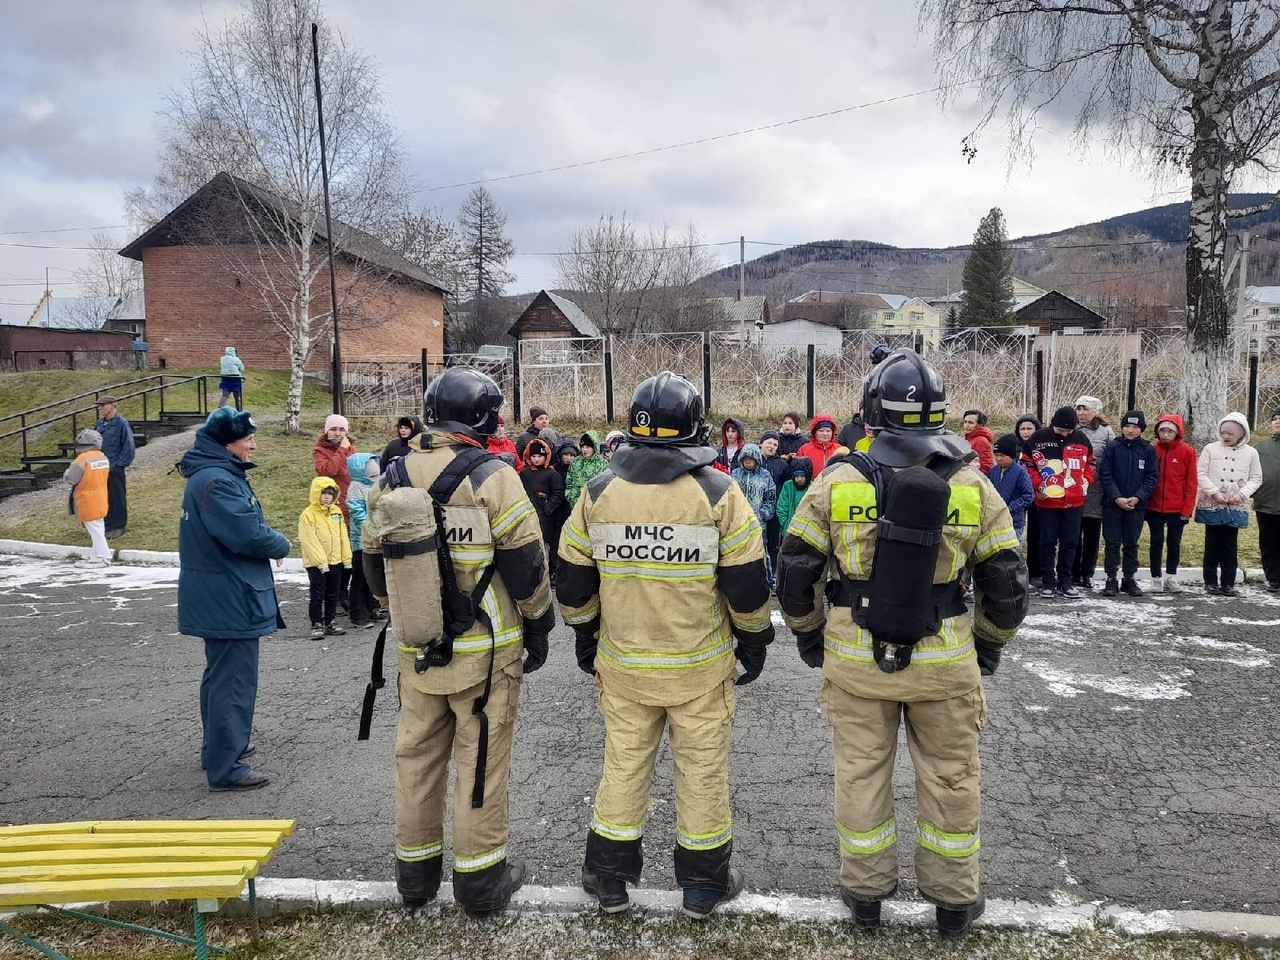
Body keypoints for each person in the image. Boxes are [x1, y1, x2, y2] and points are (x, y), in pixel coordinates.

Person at [776, 348, 1027, 939]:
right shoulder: (972, 483)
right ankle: (953, 904)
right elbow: (1008, 582)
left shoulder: (837, 480)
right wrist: (987, 644)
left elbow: (793, 571)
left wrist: (811, 636)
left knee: (861, 777)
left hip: (856, 663)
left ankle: (865, 898)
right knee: (951, 779)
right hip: (946, 665)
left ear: (869, 411)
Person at [557, 371, 774, 920]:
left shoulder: (598, 492)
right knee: (702, 773)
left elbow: (574, 582)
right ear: (695, 428)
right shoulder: (719, 492)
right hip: (699, 670)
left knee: (623, 768)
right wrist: (753, 643)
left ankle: (608, 881)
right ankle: (702, 888)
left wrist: (586, 636)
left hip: (624, 666)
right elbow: (747, 585)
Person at [363, 366, 553, 917]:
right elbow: (526, 567)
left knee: (416, 760)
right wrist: (539, 626)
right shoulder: (493, 476)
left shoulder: (391, 474)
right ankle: (480, 881)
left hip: (415, 651)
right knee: (480, 763)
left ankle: (415, 878)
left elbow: (375, 569)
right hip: (487, 653)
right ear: (483, 417)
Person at [177, 407, 290, 792]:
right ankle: (226, 766)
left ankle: (219, 748)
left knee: (220, 676)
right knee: (233, 682)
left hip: (219, 593)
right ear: (228, 443)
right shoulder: (218, 482)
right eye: (248, 439)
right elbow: (247, 534)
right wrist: (281, 543)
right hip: (230, 594)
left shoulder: (210, 476)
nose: (254, 444)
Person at [1026, 406, 1094, 600]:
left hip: (1074, 501)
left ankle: (1066, 581)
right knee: (1047, 542)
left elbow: (1091, 463)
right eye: (1061, 430)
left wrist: (1086, 480)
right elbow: (1027, 465)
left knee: (1070, 542)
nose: (1065, 433)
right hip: (1047, 502)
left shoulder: (1081, 439)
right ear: (1053, 424)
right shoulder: (1037, 439)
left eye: (1068, 430)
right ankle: (1048, 582)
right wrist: (1041, 484)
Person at [1196, 412, 1262, 597]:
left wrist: (1241, 494)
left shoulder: (1251, 453)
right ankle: (1210, 582)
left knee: (1230, 545)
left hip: (1235, 504)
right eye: (1223, 433)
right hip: (1214, 502)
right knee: (1212, 543)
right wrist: (1214, 492)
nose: (1226, 437)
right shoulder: (1211, 449)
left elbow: (1256, 478)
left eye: (1231, 434)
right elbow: (1201, 473)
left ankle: (1228, 583)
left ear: (1241, 434)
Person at [1098, 411, 1158, 597]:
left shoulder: (1148, 450)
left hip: (1136, 506)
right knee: (1112, 543)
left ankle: (1129, 578)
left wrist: (1138, 497)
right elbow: (1105, 475)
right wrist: (1117, 497)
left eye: (1135, 427)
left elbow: (1151, 478)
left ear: (1141, 429)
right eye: (1127, 426)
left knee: (1131, 543)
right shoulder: (1113, 447)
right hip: (1112, 504)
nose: (1130, 430)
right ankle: (1111, 578)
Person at [1146, 414, 1198, 594]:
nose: (1166, 435)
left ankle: (1171, 576)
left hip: (1177, 507)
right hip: (1154, 506)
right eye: (1163, 431)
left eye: (1170, 431)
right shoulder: (1152, 450)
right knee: (1156, 541)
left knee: (1174, 542)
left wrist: (1187, 507)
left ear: (1177, 433)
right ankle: (1155, 578)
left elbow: (1191, 482)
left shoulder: (1188, 452)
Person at [299, 477, 352, 638]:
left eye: (330, 494)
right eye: (324, 493)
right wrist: (321, 562)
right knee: (317, 594)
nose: (327, 497)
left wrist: (346, 558)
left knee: (332, 593)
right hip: (317, 563)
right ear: (316, 494)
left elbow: (342, 535)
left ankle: (330, 621)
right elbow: (309, 540)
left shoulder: (336, 512)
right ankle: (316, 622)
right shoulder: (308, 515)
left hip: (335, 560)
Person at [1071, 396, 1115, 590]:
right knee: (1072, 533)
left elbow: (1111, 459)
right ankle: (1072, 572)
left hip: (1096, 489)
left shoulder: (1106, 432)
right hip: (1072, 487)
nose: (1081, 413)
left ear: (1095, 411)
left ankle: (1087, 572)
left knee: (1091, 533)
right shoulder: (1071, 429)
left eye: (1085, 409)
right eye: (1078, 409)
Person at [62, 428, 112, 563]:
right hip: (101, 496)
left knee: (94, 529)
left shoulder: (82, 459)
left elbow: (71, 478)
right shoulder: (103, 457)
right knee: (98, 526)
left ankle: (103, 556)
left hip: (87, 499)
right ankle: (95, 554)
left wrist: (67, 472)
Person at [731, 442, 777, 583]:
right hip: (738, 522)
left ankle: (768, 580)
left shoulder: (765, 475)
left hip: (758, 522)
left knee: (762, 551)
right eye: (745, 459)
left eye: (751, 459)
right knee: (738, 550)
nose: (748, 462)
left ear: (757, 459)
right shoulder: (735, 475)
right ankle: (739, 580)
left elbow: (771, 497)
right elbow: (729, 496)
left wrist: (764, 514)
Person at [344, 453, 381, 627]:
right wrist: (372, 524)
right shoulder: (355, 487)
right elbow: (357, 513)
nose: (375, 478)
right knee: (360, 576)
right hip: (362, 540)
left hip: (377, 537)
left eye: (376, 475)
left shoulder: (378, 486)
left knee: (372, 576)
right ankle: (358, 613)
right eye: (371, 475)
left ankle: (373, 606)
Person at [94, 395, 135, 540]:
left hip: (114, 467)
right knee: (104, 496)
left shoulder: (121, 423)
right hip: (100, 467)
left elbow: (128, 446)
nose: (100, 408)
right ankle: (107, 523)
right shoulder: (100, 423)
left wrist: (119, 465)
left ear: (112, 405)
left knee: (117, 496)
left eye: (103, 405)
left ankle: (119, 525)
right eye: (99, 406)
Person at [520, 437, 564, 564]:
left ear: (546, 456)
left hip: (546, 516)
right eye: (533, 456)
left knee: (544, 544)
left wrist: (548, 508)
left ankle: (547, 569)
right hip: (527, 513)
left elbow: (558, 493)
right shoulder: (524, 473)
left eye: (540, 456)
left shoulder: (552, 474)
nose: (536, 459)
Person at [1252, 406, 1280, 590]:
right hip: (1266, 504)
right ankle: (1274, 579)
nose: (1277, 421)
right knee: (1269, 543)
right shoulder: (1260, 447)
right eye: (1274, 419)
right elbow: (1250, 472)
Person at [988, 434, 1034, 543]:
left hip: (1014, 521)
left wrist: (1011, 507)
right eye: (996, 455)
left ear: (1011, 455)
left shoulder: (1020, 472)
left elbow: (1029, 496)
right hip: (995, 520)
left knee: (1014, 551)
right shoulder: (993, 471)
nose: (999, 458)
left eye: (1002, 455)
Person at [1014, 414, 1042, 581]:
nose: (1025, 432)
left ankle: (1036, 571)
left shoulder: (1041, 448)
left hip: (1037, 494)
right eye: (1022, 429)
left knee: (1036, 534)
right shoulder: (1013, 447)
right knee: (1016, 533)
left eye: (1029, 428)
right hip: (1017, 497)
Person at [566, 431, 609, 508]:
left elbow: (606, 486)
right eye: (582, 447)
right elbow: (569, 483)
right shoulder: (576, 462)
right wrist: (572, 499)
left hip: (595, 506)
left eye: (588, 447)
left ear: (594, 447)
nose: (584, 450)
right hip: (576, 505)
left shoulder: (603, 464)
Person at [775, 456, 813, 537]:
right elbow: (781, 507)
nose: (799, 479)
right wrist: (786, 524)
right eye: (797, 476)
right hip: (789, 530)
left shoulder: (813, 487)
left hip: (809, 531)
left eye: (802, 476)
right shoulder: (788, 486)